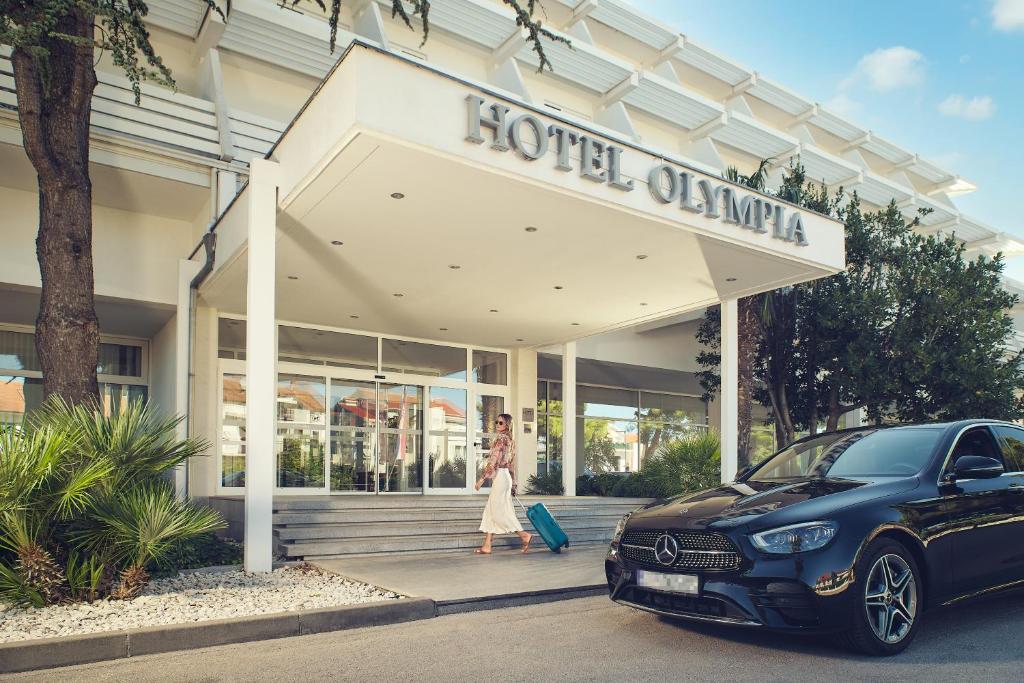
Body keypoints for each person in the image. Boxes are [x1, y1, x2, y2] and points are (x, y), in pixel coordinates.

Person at [474, 413, 532, 554]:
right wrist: (513, 484)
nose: (497, 425)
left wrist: (482, 479)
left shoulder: (500, 439)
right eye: (496, 422)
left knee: (499, 511)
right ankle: (487, 545)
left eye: (501, 423)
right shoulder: (511, 441)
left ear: (507, 425)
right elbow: (512, 466)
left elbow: (493, 461)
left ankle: (524, 535)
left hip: (500, 476)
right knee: (491, 510)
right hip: (505, 477)